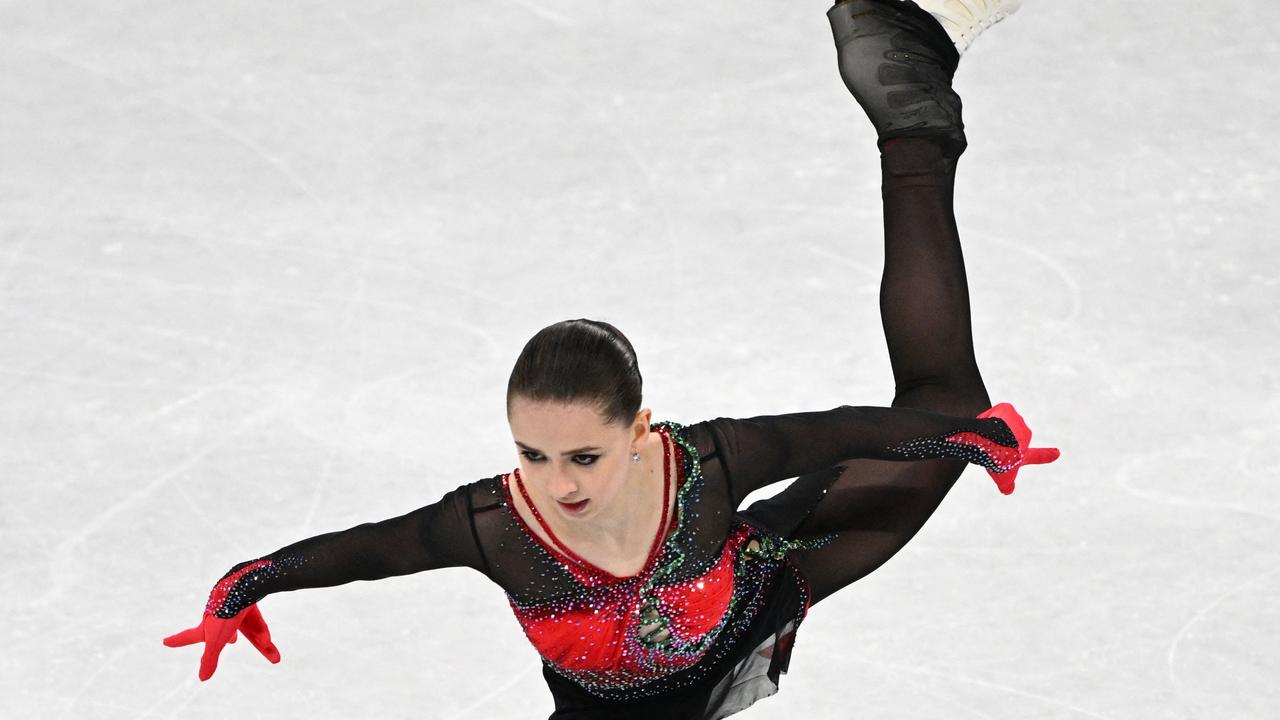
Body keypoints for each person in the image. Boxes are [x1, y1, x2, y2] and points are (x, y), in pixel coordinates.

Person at [163, 1, 1056, 717]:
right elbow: (357, 553)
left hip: (769, 585)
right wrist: (247, 586)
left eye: (583, 454)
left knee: (944, 398)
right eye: (532, 454)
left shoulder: (705, 466)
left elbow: (840, 434)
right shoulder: (493, 528)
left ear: (638, 430)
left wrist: (969, 440)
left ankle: (913, 123)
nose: (558, 482)